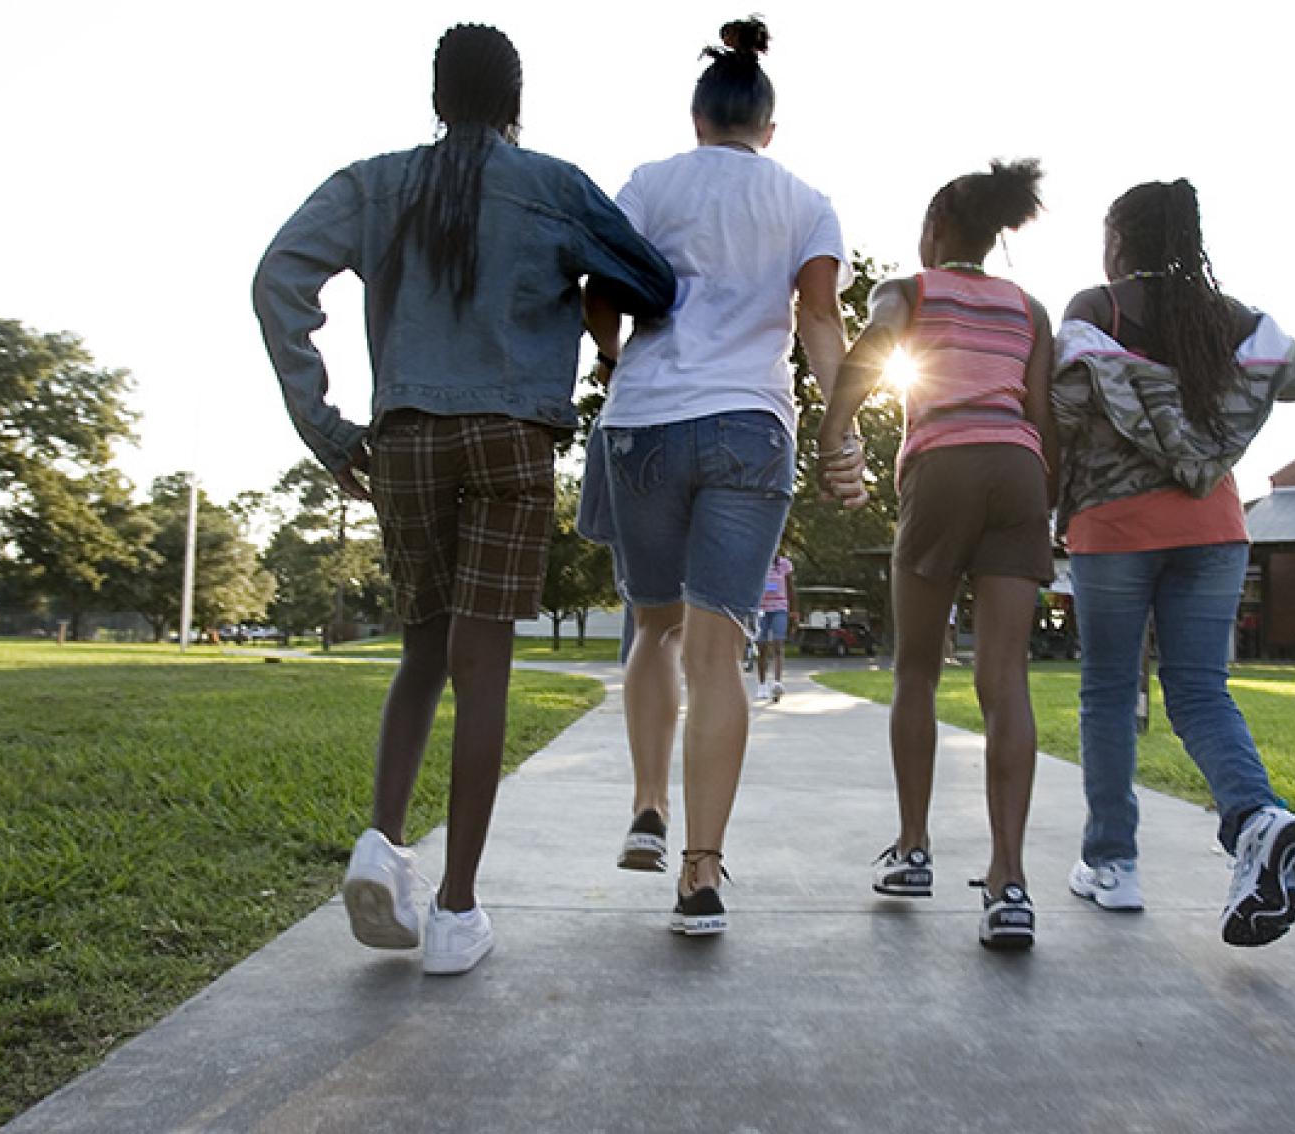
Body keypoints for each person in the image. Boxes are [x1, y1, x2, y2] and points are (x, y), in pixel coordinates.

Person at [252, 24, 674, 975]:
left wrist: (321, 424)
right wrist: (574, 288)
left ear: (438, 97)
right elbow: (654, 280)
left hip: (401, 438)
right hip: (509, 437)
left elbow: (277, 274)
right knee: (484, 668)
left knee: (422, 654)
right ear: (514, 102)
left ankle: (381, 842)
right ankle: (456, 910)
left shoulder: (374, 182)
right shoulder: (552, 185)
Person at [585, 17, 849, 936]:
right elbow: (820, 323)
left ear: (697, 119)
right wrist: (844, 433)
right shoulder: (806, 200)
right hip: (751, 427)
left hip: (647, 424)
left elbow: (601, 282)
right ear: (766, 130)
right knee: (718, 650)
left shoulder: (651, 183)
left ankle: (649, 806)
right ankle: (700, 872)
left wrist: (613, 355)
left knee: (654, 629)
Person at [1052, 178, 1295, 946]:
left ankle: (1113, 865)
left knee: (1107, 693)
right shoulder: (1228, 317)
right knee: (1201, 692)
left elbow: (1066, 409)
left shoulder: (1097, 307)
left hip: (1115, 525)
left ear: (1121, 241)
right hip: (1214, 525)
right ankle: (1257, 819)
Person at [817, 159, 1055, 950]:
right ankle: (1008, 883)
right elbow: (1042, 415)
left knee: (916, 667)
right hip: (1019, 471)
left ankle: (914, 848)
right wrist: (1042, 502)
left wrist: (832, 432)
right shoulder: (1029, 308)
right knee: (1003, 679)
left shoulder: (911, 290)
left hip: (942, 464)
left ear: (938, 230)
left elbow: (871, 350)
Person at [755, 549, 796, 701]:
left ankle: (777, 683)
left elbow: (791, 588)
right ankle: (762, 684)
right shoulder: (759, 563)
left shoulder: (785, 565)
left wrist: (794, 611)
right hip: (762, 609)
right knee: (762, 646)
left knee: (778, 643)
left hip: (780, 608)